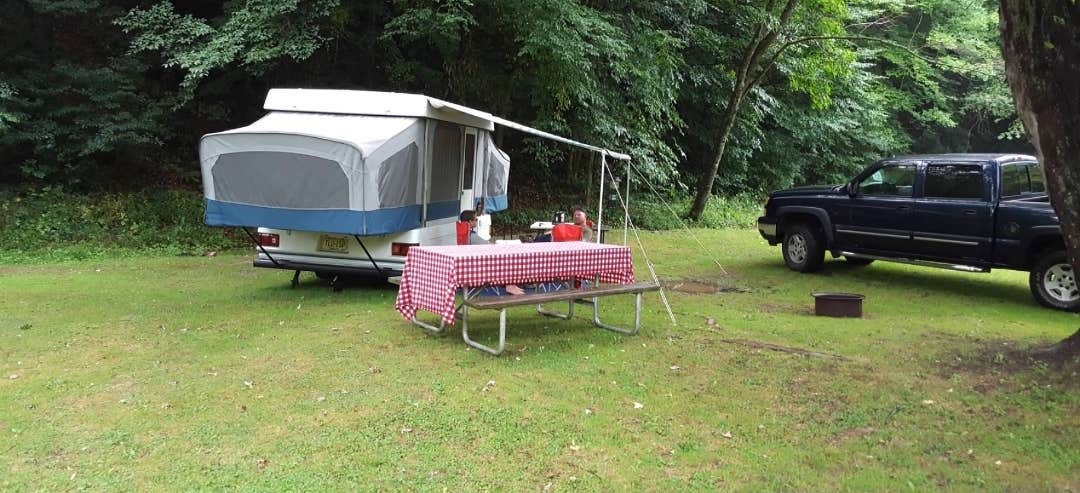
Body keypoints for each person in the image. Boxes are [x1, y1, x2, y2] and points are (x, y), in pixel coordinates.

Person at [459, 210, 525, 295]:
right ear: (470, 222)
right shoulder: (472, 236)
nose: (477, 221)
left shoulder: (463, 234)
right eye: (476, 219)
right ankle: (510, 285)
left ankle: (511, 284)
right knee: (506, 259)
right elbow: (489, 245)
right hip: (479, 265)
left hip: (471, 262)